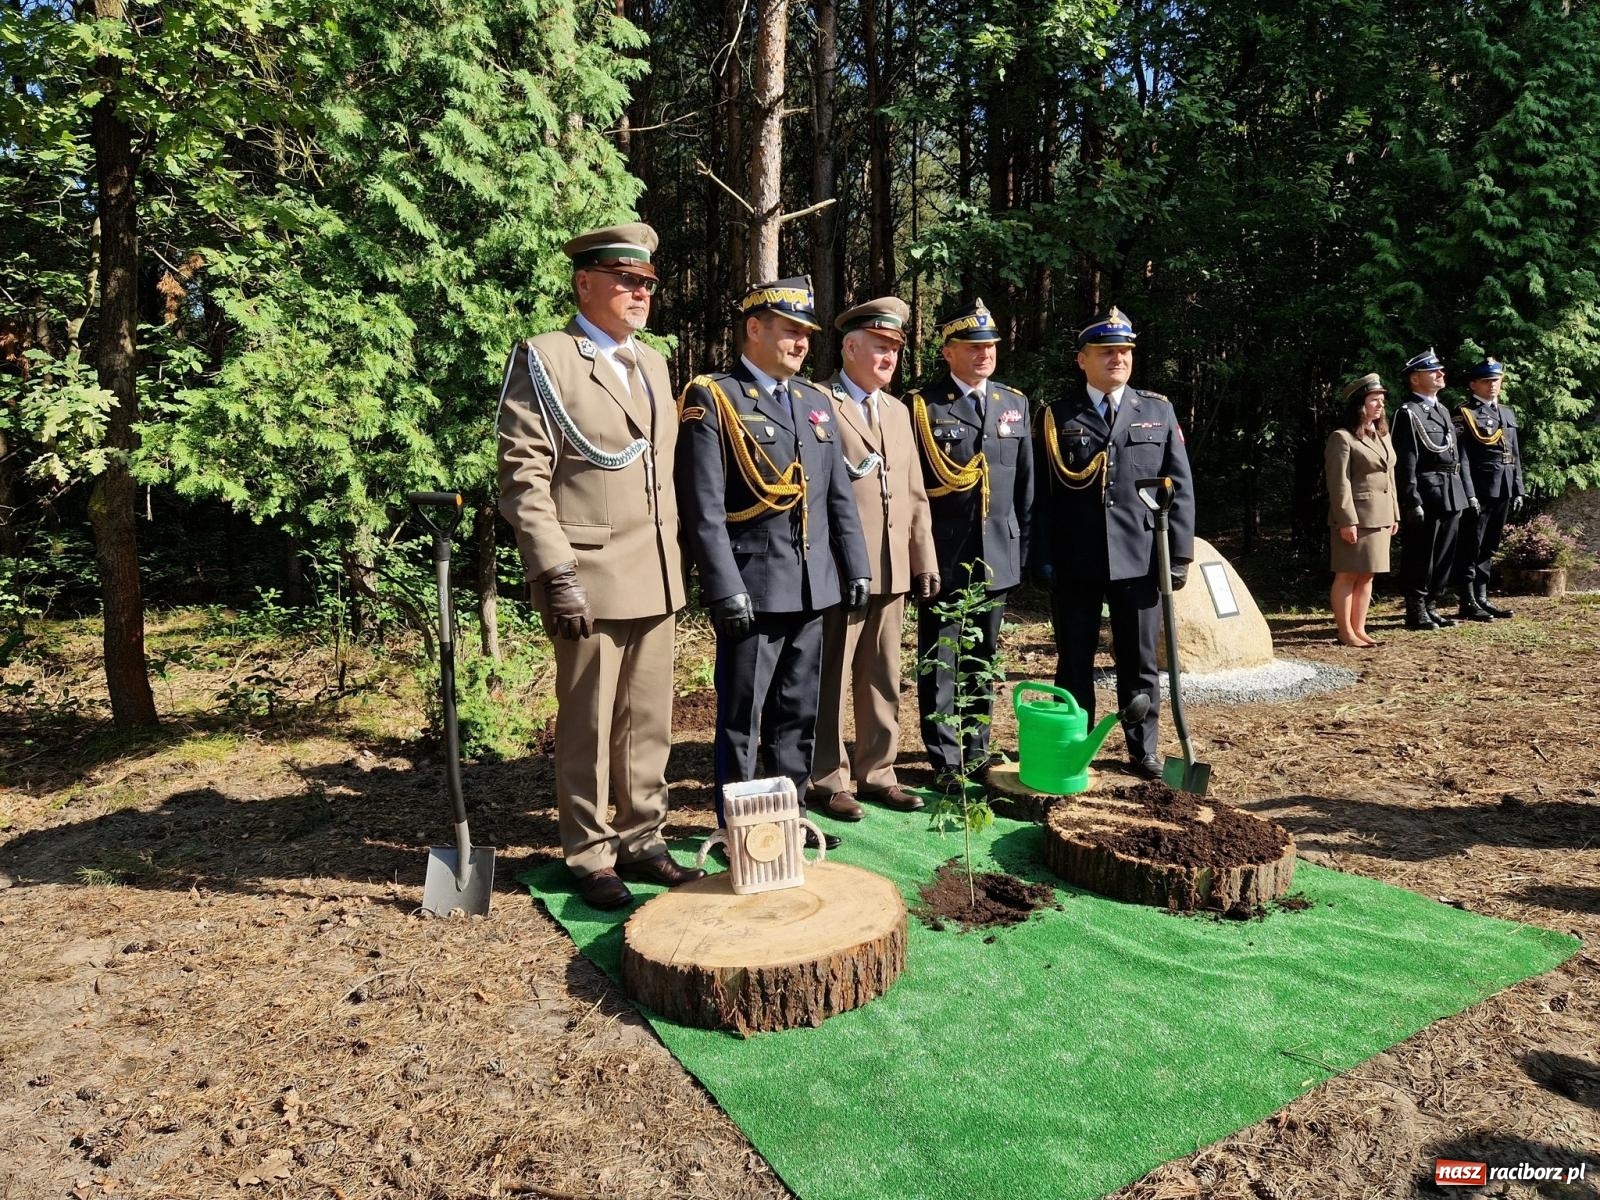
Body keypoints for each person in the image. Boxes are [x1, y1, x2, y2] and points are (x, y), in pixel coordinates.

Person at [497, 222, 703, 911]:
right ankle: (589, 851)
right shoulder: (548, 358)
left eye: (646, 282)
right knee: (586, 724)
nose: (639, 292)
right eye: (625, 279)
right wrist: (553, 571)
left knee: (649, 721)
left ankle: (644, 836)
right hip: (587, 575)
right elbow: (524, 475)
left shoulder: (652, 364)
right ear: (585, 283)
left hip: (655, 572)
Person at [675, 275, 871, 847]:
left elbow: (838, 497)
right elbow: (703, 507)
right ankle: (738, 825)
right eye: (789, 331)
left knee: (798, 711)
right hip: (753, 585)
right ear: (754, 328)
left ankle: (788, 818)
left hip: (813, 585)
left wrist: (854, 566)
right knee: (744, 715)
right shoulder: (715, 398)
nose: (800, 343)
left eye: (806, 334)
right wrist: (722, 586)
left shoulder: (815, 402)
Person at [1031, 306, 1194, 780]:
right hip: (1075, 559)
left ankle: (1143, 749)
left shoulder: (1156, 410)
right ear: (1082, 360)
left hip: (1140, 557)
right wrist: (1041, 555)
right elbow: (1040, 493)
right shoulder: (1056, 414)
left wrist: (1178, 555)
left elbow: (1177, 487)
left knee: (1140, 661)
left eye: (1124, 351)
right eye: (1106, 352)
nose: (1118, 359)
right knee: (1074, 659)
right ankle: (1075, 743)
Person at [810, 297, 939, 819]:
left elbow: (914, 493)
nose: (889, 357)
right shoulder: (818, 401)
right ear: (850, 346)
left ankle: (878, 770)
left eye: (894, 348)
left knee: (883, 673)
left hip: (892, 567)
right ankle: (828, 776)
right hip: (840, 567)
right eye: (880, 347)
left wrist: (922, 558)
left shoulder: (898, 410)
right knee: (832, 675)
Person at [906, 298, 1033, 794]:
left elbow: (1024, 489)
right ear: (948, 352)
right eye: (972, 347)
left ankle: (977, 748)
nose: (984, 355)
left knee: (984, 658)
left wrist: (1020, 551)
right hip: (945, 554)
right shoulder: (923, 406)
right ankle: (945, 757)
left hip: (997, 553)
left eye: (990, 346)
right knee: (943, 658)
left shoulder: (1013, 403)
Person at [1392, 347, 1478, 631]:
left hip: (1451, 490)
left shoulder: (1441, 409)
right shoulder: (1409, 413)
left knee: (1444, 553)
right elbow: (1406, 461)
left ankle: (1431, 605)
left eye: (1440, 370)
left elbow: (1457, 456)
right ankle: (1415, 610)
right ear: (1415, 378)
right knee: (1422, 553)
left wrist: (1466, 493)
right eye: (1433, 371)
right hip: (1428, 492)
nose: (1441, 374)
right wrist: (1411, 499)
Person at [1325, 373, 1399, 648]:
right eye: (1374, 400)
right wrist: (1347, 521)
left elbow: (1389, 477)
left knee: (1368, 573)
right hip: (1356, 517)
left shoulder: (1381, 434)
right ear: (1359, 403)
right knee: (1347, 573)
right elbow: (1338, 482)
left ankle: (1360, 629)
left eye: (1381, 400)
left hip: (1381, 516)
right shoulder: (1341, 438)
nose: (1380, 405)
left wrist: (1395, 514)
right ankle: (1345, 632)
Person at [1453, 357, 1525, 619]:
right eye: (1486, 381)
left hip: (1504, 485)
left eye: (1496, 380)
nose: (1492, 385)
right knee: (1471, 544)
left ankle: (1482, 597)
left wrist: (1518, 488)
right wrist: (1469, 493)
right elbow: (1462, 459)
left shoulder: (1506, 412)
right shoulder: (1465, 414)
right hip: (1481, 488)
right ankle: (1467, 600)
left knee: (1490, 545)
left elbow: (1514, 454)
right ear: (1473, 385)